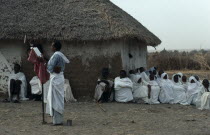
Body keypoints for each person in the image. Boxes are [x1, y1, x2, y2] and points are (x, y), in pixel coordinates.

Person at [46, 40, 70, 125]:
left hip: (56, 78)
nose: (51, 47)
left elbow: (51, 68)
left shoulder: (56, 56)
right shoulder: (59, 55)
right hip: (58, 78)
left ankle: (57, 121)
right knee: (57, 99)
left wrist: (44, 62)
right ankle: (56, 120)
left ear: (55, 47)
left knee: (55, 99)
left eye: (52, 46)